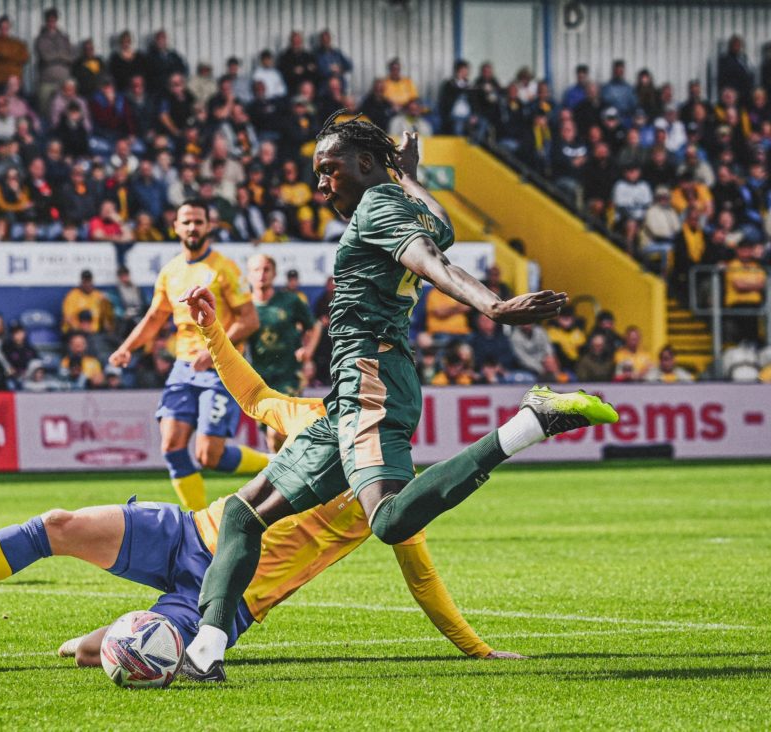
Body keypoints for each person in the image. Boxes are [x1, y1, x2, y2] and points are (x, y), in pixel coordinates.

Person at [180, 115, 618, 681]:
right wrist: (409, 175)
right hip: (351, 393)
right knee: (242, 515)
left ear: (365, 165)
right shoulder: (397, 202)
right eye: (317, 173)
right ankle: (205, 652)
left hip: (371, 378)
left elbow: (434, 263)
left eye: (329, 170)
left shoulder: (376, 209)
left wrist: (491, 305)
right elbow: (439, 228)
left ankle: (528, 424)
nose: (321, 185)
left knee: (386, 521)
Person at [0, 312, 525, 666]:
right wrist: (209, 331)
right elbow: (256, 392)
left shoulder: (390, 489)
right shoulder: (311, 419)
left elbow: (423, 581)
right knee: (58, 522)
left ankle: (109, 639)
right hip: (189, 530)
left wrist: (478, 650)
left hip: (225, 602)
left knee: (97, 655)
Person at [108, 200, 263, 511]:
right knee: (172, 446)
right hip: (183, 367)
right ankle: (198, 521)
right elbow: (154, 318)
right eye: (187, 222)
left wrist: (213, 349)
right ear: (176, 227)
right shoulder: (171, 271)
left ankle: (272, 462)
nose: (193, 228)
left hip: (219, 367)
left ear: (209, 226)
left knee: (210, 456)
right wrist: (127, 347)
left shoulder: (224, 268)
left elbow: (249, 320)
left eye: (198, 222)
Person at [246, 255, 320, 451]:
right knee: (272, 437)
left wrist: (308, 354)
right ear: (249, 275)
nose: (262, 274)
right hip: (258, 379)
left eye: (266, 269)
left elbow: (315, 327)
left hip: (289, 375)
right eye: (257, 270)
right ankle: (283, 476)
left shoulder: (289, 301)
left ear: (274, 273)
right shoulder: (244, 307)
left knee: (278, 430)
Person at [34, 8, 75, 115]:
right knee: (44, 109)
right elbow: (45, 57)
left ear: (56, 21)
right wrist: (61, 55)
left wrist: (55, 55)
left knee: (65, 109)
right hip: (47, 80)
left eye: (53, 20)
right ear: (46, 21)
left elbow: (71, 57)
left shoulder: (64, 38)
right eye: (49, 20)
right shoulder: (40, 39)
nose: (51, 23)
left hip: (63, 79)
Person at [0, 15, 30, 96]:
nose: (4, 29)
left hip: (16, 80)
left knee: (23, 104)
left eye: (6, 27)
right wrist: (16, 56)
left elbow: (25, 57)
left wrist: (7, 58)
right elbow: (2, 53)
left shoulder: (17, 43)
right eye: (2, 27)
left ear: (9, 27)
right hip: (0, 81)